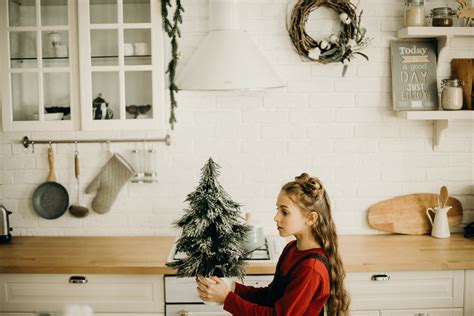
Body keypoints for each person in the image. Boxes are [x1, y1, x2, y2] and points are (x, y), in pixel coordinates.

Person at [196, 173, 350, 315]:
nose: (276, 217)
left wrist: (227, 299)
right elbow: (271, 296)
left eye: (284, 212)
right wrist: (232, 288)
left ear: (310, 218)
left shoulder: (311, 269)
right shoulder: (291, 248)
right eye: (277, 210)